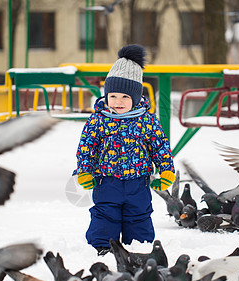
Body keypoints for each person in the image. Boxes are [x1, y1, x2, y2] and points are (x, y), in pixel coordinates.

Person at [73, 44, 175, 256]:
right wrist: (84, 170)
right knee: (104, 214)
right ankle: (103, 246)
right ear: (106, 95)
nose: (118, 102)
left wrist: (166, 169)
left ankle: (139, 247)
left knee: (139, 215)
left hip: (138, 182)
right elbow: (87, 147)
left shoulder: (147, 121)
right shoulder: (99, 119)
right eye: (113, 96)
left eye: (125, 97)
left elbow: (160, 147)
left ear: (136, 98)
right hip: (106, 180)